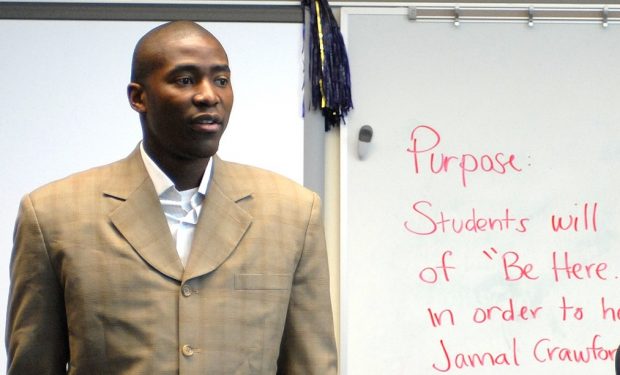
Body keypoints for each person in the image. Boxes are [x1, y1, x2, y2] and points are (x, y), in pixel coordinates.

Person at [6, 21, 337, 374]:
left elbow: (311, 364)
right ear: (138, 97)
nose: (209, 95)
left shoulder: (292, 212)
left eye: (221, 80)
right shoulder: (52, 214)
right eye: (185, 80)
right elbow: (34, 365)